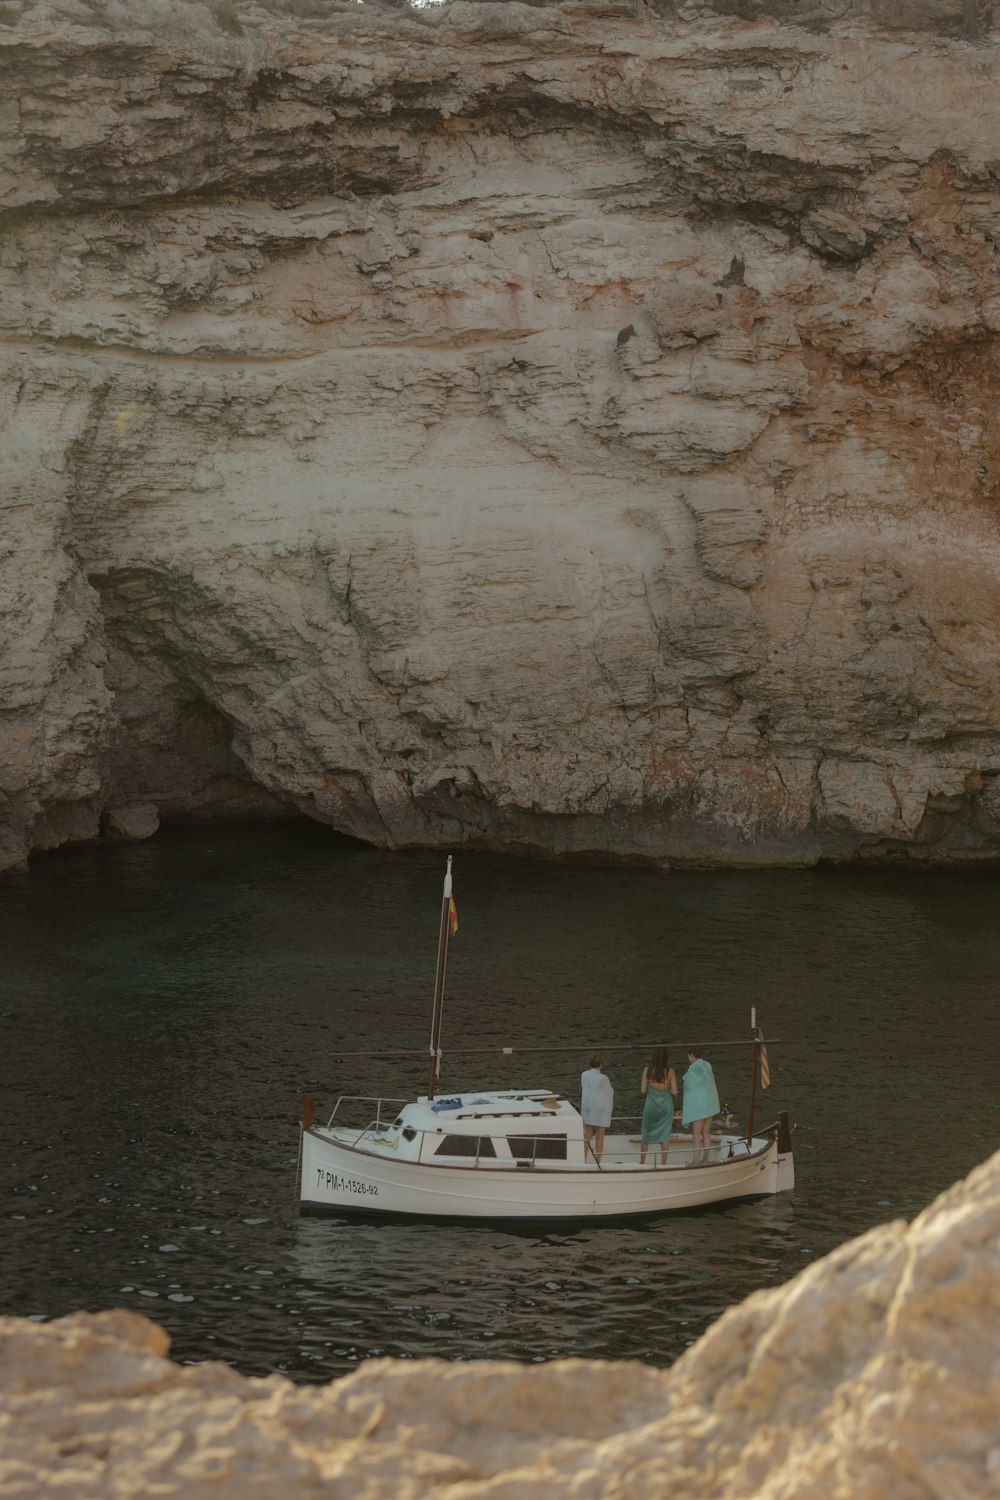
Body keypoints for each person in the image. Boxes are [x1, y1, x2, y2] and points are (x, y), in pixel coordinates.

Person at [640, 1048, 677, 1166]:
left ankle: (642, 1162)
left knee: (646, 1134)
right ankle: (664, 1163)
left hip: (651, 1107)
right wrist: (667, 1087)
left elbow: (643, 1090)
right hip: (666, 1108)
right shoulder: (670, 1072)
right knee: (665, 1135)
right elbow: (675, 1092)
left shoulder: (648, 1070)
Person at [683, 1048, 721, 1161]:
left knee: (696, 1134)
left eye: (688, 1056)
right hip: (709, 1104)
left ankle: (695, 1161)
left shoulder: (693, 1067)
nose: (688, 1059)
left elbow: (687, 1084)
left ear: (692, 1055)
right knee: (706, 1131)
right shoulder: (708, 1065)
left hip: (699, 1106)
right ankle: (705, 1159)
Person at [580, 1051, 614, 1164]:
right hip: (600, 1110)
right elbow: (609, 1093)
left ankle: (583, 1160)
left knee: (587, 1136)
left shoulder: (584, 1075)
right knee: (600, 1136)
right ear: (601, 1064)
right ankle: (598, 1161)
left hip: (588, 1109)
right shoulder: (603, 1078)